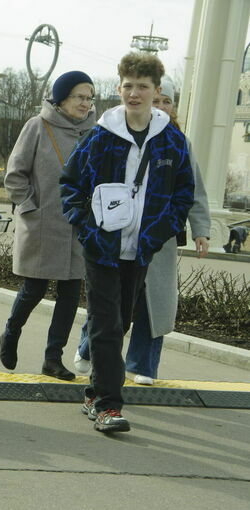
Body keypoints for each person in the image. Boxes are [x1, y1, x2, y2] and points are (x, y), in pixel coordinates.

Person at [60, 53, 194, 433]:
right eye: (128, 86)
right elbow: (70, 185)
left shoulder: (171, 139)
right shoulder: (102, 135)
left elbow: (184, 191)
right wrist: (87, 227)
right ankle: (109, 405)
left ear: (156, 91)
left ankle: (93, 392)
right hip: (101, 248)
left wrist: (159, 230)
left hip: (142, 249)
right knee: (105, 324)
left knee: (121, 324)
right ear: (119, 89)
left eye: (143, 87)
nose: (135, 93)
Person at [73, 76, 211, 386]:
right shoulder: (112, 133)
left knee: (154, 304)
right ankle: (88, 349)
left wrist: (200, 229)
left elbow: (193, 191)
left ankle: (144, 365)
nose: (161, 106)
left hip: (157, 239)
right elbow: (77, 181)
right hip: (116, 234)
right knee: (112, 301)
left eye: (167, 102)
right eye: (159, 100)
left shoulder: (178, 142)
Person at [0, 71, 97, 381]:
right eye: (80, 96)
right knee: (34, 288)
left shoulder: (96, 133)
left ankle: (52, 359)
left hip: (80, 227)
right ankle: (11, 331)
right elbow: (14, 175)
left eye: (90, 97)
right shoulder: (37, 127)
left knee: (70, 294)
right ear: (63, 97)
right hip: (43, 223)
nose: (86, 103)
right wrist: (31, 207)